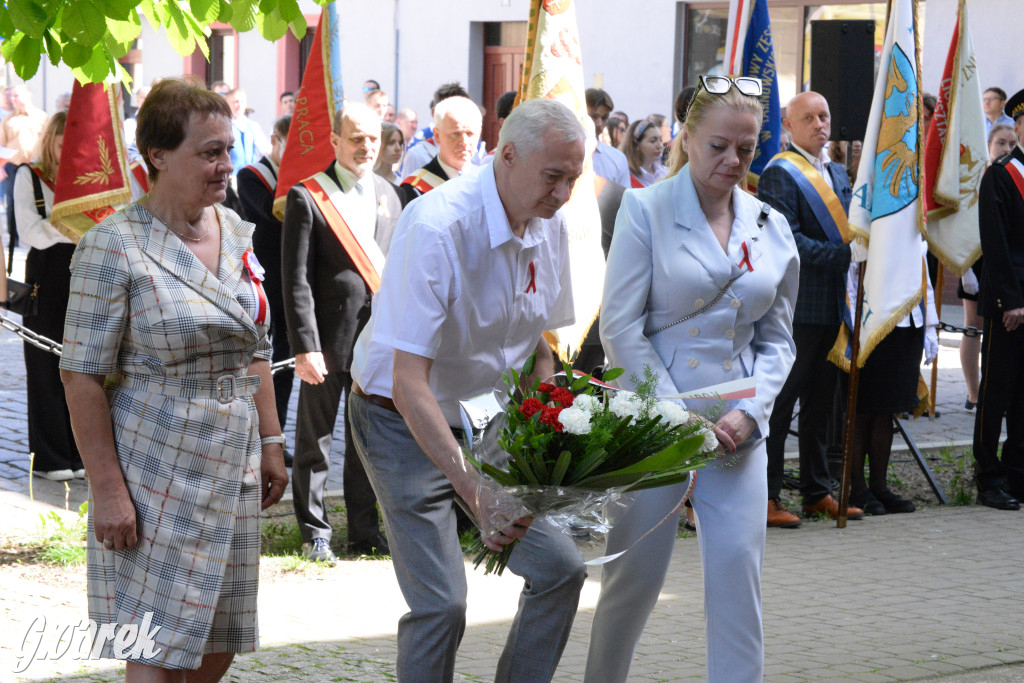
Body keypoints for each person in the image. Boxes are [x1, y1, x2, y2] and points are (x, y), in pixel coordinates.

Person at [348, 97, 587, 682]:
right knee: (442, 604)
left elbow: (538, 347)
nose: (561, 195)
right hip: (398, 420)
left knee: (562, 568)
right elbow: (408, 383)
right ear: (506, 155)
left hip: (484, 418)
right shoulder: (437, 225)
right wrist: (476, 492)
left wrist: (547, 433)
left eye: (573, 179)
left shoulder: (551, 225)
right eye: (552, 177)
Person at [59, 78, 288, 678]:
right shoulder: (112, 246)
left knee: (221, 636)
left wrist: (270, 440)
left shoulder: (237, 231)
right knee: (156, 642)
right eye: (209, 151)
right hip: (155, 467)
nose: (225, 164)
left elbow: (255, 345)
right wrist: (107, 490)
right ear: (158, 156)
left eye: (228, 148)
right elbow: (81, 375)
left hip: (234, 460)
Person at [587, 75, 799, 683]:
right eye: (718, 146)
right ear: (687, 137)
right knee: (632, 578)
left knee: (738, 574)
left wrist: (752, 412)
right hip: (654, 419)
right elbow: (621, 330)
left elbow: (778, 340)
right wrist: (673, 414)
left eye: (747, 148)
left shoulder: (770, 225)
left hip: (737, 429)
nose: (733, 161)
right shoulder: (644, 209)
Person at [282, 103, 404, 560]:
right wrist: (305, 346)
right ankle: (314, 531)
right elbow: (296, 279)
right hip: (327, 342)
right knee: (315, 441)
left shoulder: (392, 196)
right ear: (335, 141)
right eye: (355, 138)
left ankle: (364, 530)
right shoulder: (309, 196)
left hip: (377, 341)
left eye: (372, 139)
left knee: (365, 440)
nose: (365, 147)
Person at [759, 91, 867, 526]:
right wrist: (845, 255)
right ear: (789, 125)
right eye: (809, 118)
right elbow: (787, 242)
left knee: (824, 404)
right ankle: (767, 496)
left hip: (835, 307)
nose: (820, 124)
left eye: (824, 115)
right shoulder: (780, 173)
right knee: (782, 404)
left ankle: (815, 490)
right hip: (797, 308)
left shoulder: (839, 172)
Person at [13, 112, 82, 481]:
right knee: (44, 366)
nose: (66, 149)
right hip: (45, 278)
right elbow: (31, 233)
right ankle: (51, 458)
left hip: (82, 276)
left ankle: (78, 452)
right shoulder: (30, 176)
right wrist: (71, 227)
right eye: (61, 142)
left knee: (81, 369)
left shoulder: (86, 182)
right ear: (51, 141)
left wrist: (58, 227)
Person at [847, 241, 938, 515]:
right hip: (871, 323)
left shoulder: (911, 224)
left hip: (908, 324)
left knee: (886, 411)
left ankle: (878, 485)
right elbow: (851, 276)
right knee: (862, 410)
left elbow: (924, 276)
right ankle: (857, 489)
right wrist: (852, 325)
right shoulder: (866, 221)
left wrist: (931, 325)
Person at [972, 88, 1024, 511]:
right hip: (1011, 304)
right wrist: (1011, 300)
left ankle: (1019, 474)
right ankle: (989, 478)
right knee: (997, 392)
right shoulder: (1002, 174)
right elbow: (997, 243)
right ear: (1020, 126)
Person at [237, 115, 295, 467]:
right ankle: (249, 435)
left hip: (291, 279)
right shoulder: (251, 175)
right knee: (255, 359)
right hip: (261, 280)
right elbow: (272, 217)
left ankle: (278, 435)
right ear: (275, 139)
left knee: (285, 362)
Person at [961, 124, 1015, 410]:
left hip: (1002, 261)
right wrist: (965, 269)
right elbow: (963, 226)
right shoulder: (978, 178)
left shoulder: (1013, 176)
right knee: (973, 326)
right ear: (989, 145)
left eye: (1011, 142)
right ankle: (973, 391)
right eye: (1000, 143)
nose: (1006, 148)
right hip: (974, 259)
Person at [399, 95, 481, 201]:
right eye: (456, 134)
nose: (464, 142)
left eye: (470, 134)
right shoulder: (415, 188)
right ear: (437, 136)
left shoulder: (487, 181)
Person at [1, 84, 48, 242]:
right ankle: (14, 238)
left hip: (35, 166)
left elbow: (48, 143)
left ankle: (36, 236)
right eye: (11, 96)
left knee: (37, 200)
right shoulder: (8, 119)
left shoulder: (41, 117)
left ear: (27, 96)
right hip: (13, 167)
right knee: (13, 202)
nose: (12, 99)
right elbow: (1, 145)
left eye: (16, 95)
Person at [586, 88, 631, 188]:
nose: (598, 123)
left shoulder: (618, 159)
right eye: (593, 116)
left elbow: (623, 198)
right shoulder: (563, 153)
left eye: (604, 117)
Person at [225, 88, 269, 173]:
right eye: (235, 102)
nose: (239, 105)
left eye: (242, 102)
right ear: (228, 103)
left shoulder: (253, 126)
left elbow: (265, 150)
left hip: (248, 175)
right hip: (230, 176)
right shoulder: (224, 125)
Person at [620, 118, 667, 187]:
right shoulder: (625, 175)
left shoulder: (664, 172)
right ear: (636, 144)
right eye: (653, 141)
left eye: (660, 140)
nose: (660, 146)